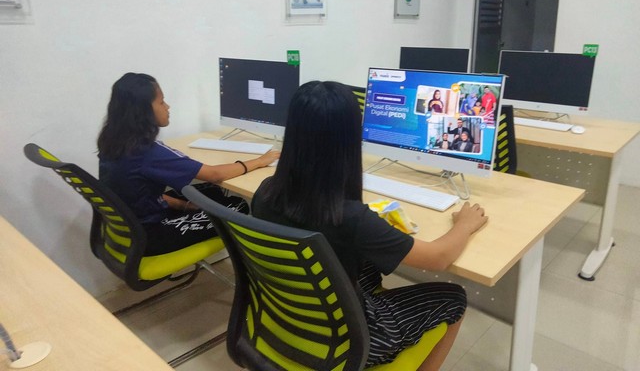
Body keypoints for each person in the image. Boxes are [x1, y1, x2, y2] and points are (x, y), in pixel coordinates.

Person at [251, 81, 487, 370]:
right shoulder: (350, 217)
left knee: (369, 268)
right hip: (349, 342)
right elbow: (438, 258)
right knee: (454, 298)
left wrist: (375, 231)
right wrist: (464, 225)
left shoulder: (266, 191)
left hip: (284, 317)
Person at [97, 72, 280, 256]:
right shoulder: (149, 153)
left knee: (213, 191)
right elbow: (214, 174)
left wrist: (182, 205)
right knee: (238, 206)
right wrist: (259, 161)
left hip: (130, 229)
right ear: (143, 111)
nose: (167, 107)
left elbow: (134, 193)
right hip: (150, 237)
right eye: (161, 102)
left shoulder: (113, 142)